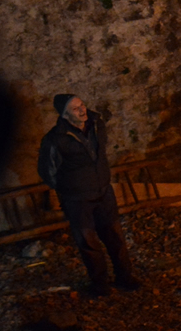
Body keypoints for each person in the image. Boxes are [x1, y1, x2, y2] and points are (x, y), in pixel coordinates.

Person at [35, 94, 139, 296]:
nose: (82, 110)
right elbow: (47, 171)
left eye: (82, 105)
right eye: (75, 109)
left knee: (115, 237)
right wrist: (70, 188)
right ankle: (100, 284)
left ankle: (125, 277)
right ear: (65, 115)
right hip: (78, 200)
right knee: (88, 243)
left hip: (103, 193)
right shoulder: (55, 139)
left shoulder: (97, 125)